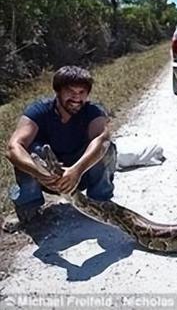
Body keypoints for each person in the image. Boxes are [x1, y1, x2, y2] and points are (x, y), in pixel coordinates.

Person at [3, 66, 116, 231]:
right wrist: (39, 172)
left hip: (80, 174)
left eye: (82, 92)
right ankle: (29, 211)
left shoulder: (93, 111)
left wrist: (76, 170)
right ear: (58, 91)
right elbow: (13, 148)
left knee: (107, 148)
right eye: (70, 91)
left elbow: (102, 139)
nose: (77, 97)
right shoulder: (39, 110)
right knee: (26, 153)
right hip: (46, 176)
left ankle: (100, 203)